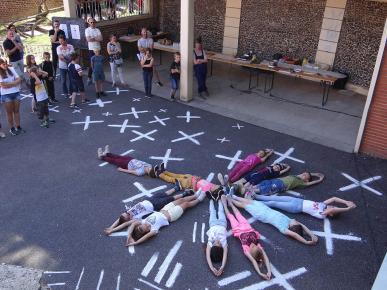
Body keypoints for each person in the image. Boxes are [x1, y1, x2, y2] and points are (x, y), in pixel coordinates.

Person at [229, 195, 318, 245]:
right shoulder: (290, 221)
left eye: (295, 223)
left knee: (245, 206)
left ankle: (230, 200)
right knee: (251, 202)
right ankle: (233, 196)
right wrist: (311, 234)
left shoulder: (284, 229)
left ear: (293, 227)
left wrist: (306, 241)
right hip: (265, 209)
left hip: (262, 214)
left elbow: (295, 235)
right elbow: (302, 226)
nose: (296, 220)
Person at [126, 191, 206, 246]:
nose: (147, 225)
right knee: (185, 204)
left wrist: (129, 235)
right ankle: (199, 200)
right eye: (147, 228)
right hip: (172, 215)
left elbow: (133, 224)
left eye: (144, 225)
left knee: (181, 199)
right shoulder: (153, 230)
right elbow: (145, 237)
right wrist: (135, 243)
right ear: (147, 231)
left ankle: (195, 196)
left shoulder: (143, 221)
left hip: (164, 209)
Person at [104, 187, 194, 235]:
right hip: (154, 206)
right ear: (129, 219)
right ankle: (185, 194)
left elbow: (119, 220)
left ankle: (177, 187)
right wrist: (113, 230)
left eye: (126, 212)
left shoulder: (128, 213)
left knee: (163, 194)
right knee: (170, 199)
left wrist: (111, 227)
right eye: (128, 215)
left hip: (148, 200)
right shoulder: (135, 219)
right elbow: (123, 224)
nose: (129, 213)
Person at [221, 195, 271, 280]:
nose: (253, 245)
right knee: (238, 214)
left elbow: (253, 261)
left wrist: (260, 273)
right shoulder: (259, 247)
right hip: (247, 226)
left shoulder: (247, 250)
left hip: (238, 230)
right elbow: (266, 258)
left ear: (250, 252)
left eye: (252, 247)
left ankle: (225, 205)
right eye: (255, 246)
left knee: (231, 217)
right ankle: (231, 204)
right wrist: (269, 271)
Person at [255, 195, 356, 219]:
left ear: (331, 214)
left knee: (274, 203)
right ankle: (255, 195)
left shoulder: (322, 215)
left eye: (332, 208)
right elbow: (334, 198)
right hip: (298, 200)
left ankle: (254, 202)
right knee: (276, 198)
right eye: (332, 206)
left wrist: (348, 209)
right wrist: (346, 202)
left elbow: (334, 209)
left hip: (295, 208)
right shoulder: (323, 204)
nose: (332, 206)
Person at [246, 172, 325, 198]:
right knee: (265, 182)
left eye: (305, 176)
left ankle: (253, 191)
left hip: (282, 185)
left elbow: (310, 183)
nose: (303, 175)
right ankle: (253, 187)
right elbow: (305, 174)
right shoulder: (295, 176)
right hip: (277, 180)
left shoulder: (301, 182)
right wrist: (313, 173)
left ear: (306, 180)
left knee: (268, 188)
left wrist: (319, 179)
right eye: (303, 173)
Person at [0, 58, 24, 135]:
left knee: (16, 111)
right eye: (3, 64)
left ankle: (18, 126)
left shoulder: (11, 69)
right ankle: (12, 128)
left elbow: (19, 79)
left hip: (16, 93)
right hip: (6, 95)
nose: (5, 65)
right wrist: (14, 83)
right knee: (9, 113)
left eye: (6, 63)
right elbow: (3, 85)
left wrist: (10, 85)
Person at [206, 200, 228, 277]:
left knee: (212, 211)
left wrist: (212, 268)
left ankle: (211, 200)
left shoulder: (210, 242)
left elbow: (208, 256)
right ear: (221, 247)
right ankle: (219, 200)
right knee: (221, 211)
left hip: (213, 223)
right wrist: (222, 267)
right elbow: (225, 254)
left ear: (213, 246)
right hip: (223, 223)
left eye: (216, 243)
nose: (218, 242)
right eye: (219, 244)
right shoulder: (224, 243)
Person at [85, 17, 103, 85]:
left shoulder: (97, 30)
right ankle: (89, 77)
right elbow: (88, 40)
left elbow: (101, 38)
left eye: (94, 22)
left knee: (98, 63)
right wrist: (96, 38)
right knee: (92, 63)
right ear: (89, 23)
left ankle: (98, 77)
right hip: (91, 49)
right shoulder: (87, 30)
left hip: (98, 48)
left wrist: (93, 38)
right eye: (91, 22)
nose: (92, 23)